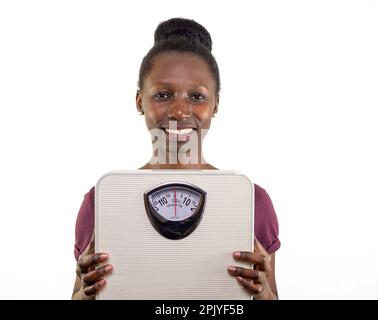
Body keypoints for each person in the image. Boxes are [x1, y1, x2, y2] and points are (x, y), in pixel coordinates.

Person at [71, 18, 280, 300]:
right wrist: (84, 293)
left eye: (196, 96)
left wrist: (263, 291)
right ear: (138, 101)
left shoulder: (252, 202)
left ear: (215, 104)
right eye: (162, 94)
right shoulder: (102, 202)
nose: (180, 110)